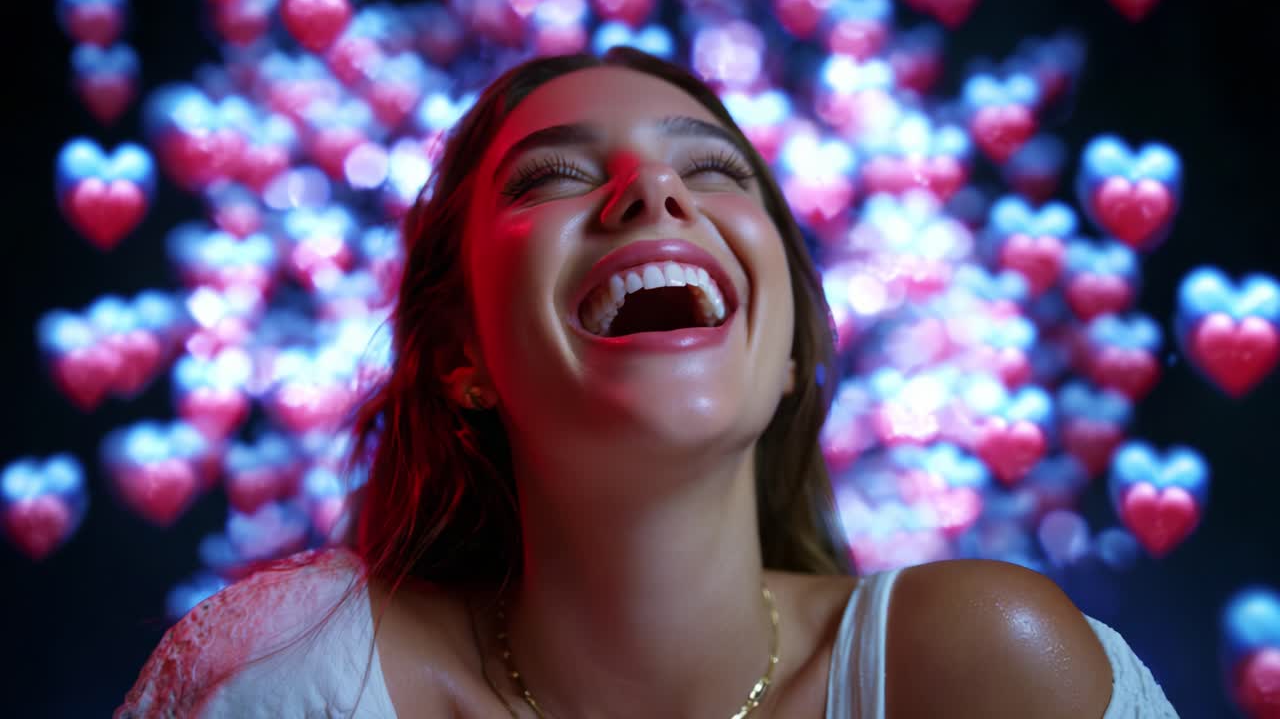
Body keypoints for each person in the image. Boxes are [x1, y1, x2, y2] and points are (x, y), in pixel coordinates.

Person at [116, 47, 1178, 718]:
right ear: (461, 358)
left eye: (711, 168)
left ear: (793, 352)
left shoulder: (984, 673)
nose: (653, 190)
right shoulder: (296, 680)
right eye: (555, 175)